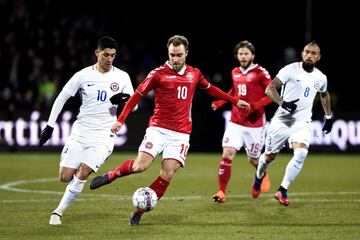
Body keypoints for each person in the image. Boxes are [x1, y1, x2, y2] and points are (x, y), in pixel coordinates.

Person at [89, 35, 250, 226]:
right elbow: (136, 96)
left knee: (168, 173)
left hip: (181, 134)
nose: (175, 59)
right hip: (158, 128)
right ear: (168, 53)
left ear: (186, 53)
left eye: (179, 55)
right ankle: (111, 175)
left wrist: (234, 100)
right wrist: (121, 119)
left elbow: (211, 89)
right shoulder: (158, 74)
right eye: (172, 55)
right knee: (141, 166)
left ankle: (139, 210)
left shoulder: (194, 74)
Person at [39, 36, 136, 225]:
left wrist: (125, 100)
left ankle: (57, 213)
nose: (109, 59)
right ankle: (72, 185)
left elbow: (135, 106)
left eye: (113, 56)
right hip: (81, 132)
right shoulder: (83, 75)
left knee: (83, 172)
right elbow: (61, 98)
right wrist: (50, 125)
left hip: (104, 135)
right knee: (65, 177)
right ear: (97, 53)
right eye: (106, 55)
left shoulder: (122, 77)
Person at [250, 41, 333, 206]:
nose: (309, 55)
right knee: (269, 157)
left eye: (313, 53)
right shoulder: (290, 70)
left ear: (319, 57)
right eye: (307, 51)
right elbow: (270, 89)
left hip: (302, 123)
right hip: (282, 120)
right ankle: (259, 176)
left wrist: (328, 117)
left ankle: (282, 189)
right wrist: (283, 103)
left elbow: (324, 95)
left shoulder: (321, 77)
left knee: (301, 153)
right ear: (302, 53)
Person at [211, 40, 273, 203]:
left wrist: (255, 106)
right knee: (227, 154)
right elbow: (235, 91)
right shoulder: (235, 72)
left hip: (255, 123)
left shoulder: (261, 73)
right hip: (236, 121)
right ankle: (221, 192)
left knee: (253, 160)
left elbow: (272, 94)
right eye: (240, 54)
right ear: (236, 56)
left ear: (252, 55)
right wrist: (221, 101)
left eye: (246, 53)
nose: (243, 56)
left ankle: (262, 174)